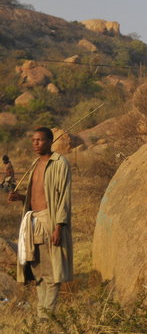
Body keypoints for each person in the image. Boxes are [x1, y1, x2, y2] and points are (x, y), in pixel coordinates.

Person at [8, 127, 73, 319]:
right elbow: (34, 195)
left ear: (50, 141)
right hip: (32, 222)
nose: (35, 144)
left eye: (40, 140)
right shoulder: (35, 164)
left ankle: (46, 319)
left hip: (50, 221)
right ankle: (41, 317)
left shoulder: (60, 163)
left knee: (52, 274)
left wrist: (58, 227)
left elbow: (64, 198)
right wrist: (20, 197)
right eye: (33, 140)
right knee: (38, 273)